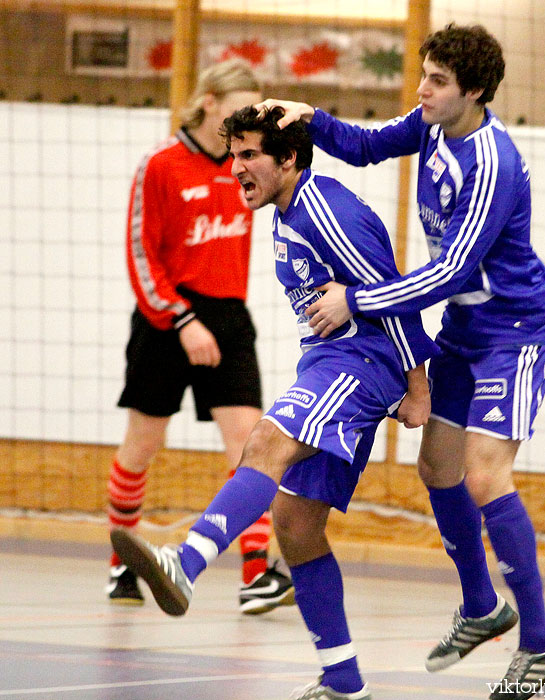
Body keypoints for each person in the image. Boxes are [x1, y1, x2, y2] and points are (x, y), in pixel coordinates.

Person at [257, 21, 545, 700]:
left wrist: (357, 301)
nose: (422, 90)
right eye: (423, 75)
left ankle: (541, 640)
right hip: (465, 330)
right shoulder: (434, 124)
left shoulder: (492, 162)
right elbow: (369, 146)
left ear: (476, 91)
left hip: (514, 332)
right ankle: (482, 607)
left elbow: (451, 270)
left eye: (436, 81)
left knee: (486, 478)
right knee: (437, 468)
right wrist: (312, 119)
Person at [110, 105, 437, 700]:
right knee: (295, 524)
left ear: (289, 158)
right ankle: (342, 680)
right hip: (332, 364)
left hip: (361, 363)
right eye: (232, 155)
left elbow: (394, 292)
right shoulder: (283, 211)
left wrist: (417, 385)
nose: (236, 168)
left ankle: (185, 564)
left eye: (249, 155)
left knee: (263, 440)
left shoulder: (327, 210)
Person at [106, 60, 295, 616]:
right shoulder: (161, 165)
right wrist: (181, 320)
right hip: (168, 316)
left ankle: (257, 572)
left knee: (252, 443)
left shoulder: (247, 166)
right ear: (209, 101)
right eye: (241, 104)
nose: (249, 116)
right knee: (143, 444)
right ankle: (122, 563)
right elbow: (141, 255)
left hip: (229, 316)